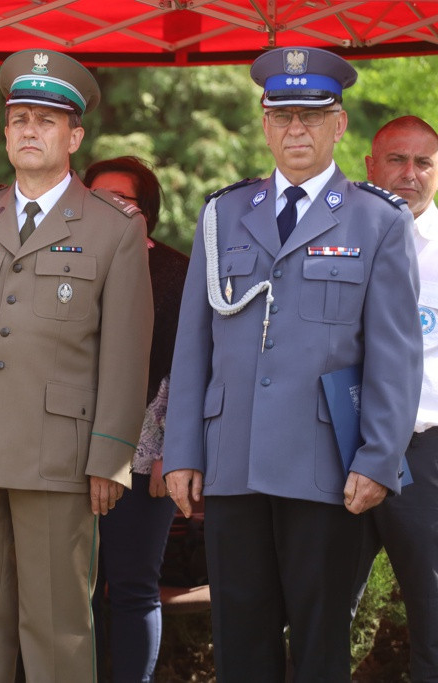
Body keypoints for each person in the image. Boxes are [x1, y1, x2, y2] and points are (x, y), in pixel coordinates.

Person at [163, 48, 423, 682]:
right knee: (241, 640)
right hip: (234, 462)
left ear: (339, 124)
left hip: (326, 466)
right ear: (264, 124)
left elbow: (396, 353)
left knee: (319, 643)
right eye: (283, 117)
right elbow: (194, 342)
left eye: (312, 116)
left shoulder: (377, 219)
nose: (297, 130)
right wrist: (182, 451)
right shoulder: (223, 214)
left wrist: (379, 457)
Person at [0, 49, 154, 681]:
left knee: (57, 629)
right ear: (5, 131)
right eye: (19, 119)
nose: (30, 131)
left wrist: (110, 455)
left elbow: (127, 356)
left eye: (46, 121)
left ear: (75, 135)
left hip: (59, 454)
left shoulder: (113, 229)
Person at [84, 156, 187, 682]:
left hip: (145, 456)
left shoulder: (177, 271)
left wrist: (173, 451)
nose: (108, 211)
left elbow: (188, 370)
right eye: (96, 199)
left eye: (121, 202)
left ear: (146, 212)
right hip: (66, 451)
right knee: (66, 589)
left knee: (131, 586)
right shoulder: (67, 261)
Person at [354, 115, 438, 682]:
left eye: (423, 162)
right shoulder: (333, 236)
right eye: (396, 160)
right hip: (338, 444)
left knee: (432, 607)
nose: (409, 174)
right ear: (370, 166)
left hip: (424, 452)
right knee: (318, 605)